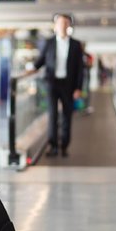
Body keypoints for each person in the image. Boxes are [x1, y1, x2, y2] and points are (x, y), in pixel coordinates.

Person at [28, 13, 83, 157]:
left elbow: (79, 69)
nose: (62, 25)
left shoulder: (76, 45)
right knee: (52, 115)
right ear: (56, 26)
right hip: (52, 83)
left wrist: (78, 88)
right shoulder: (49, 42)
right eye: (60, 23)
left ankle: (64, 145)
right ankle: (52, 146)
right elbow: (41, 61)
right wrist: (31, 68)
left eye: (65, 23)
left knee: (67, 115)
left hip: (68, 85)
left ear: (69, 25)